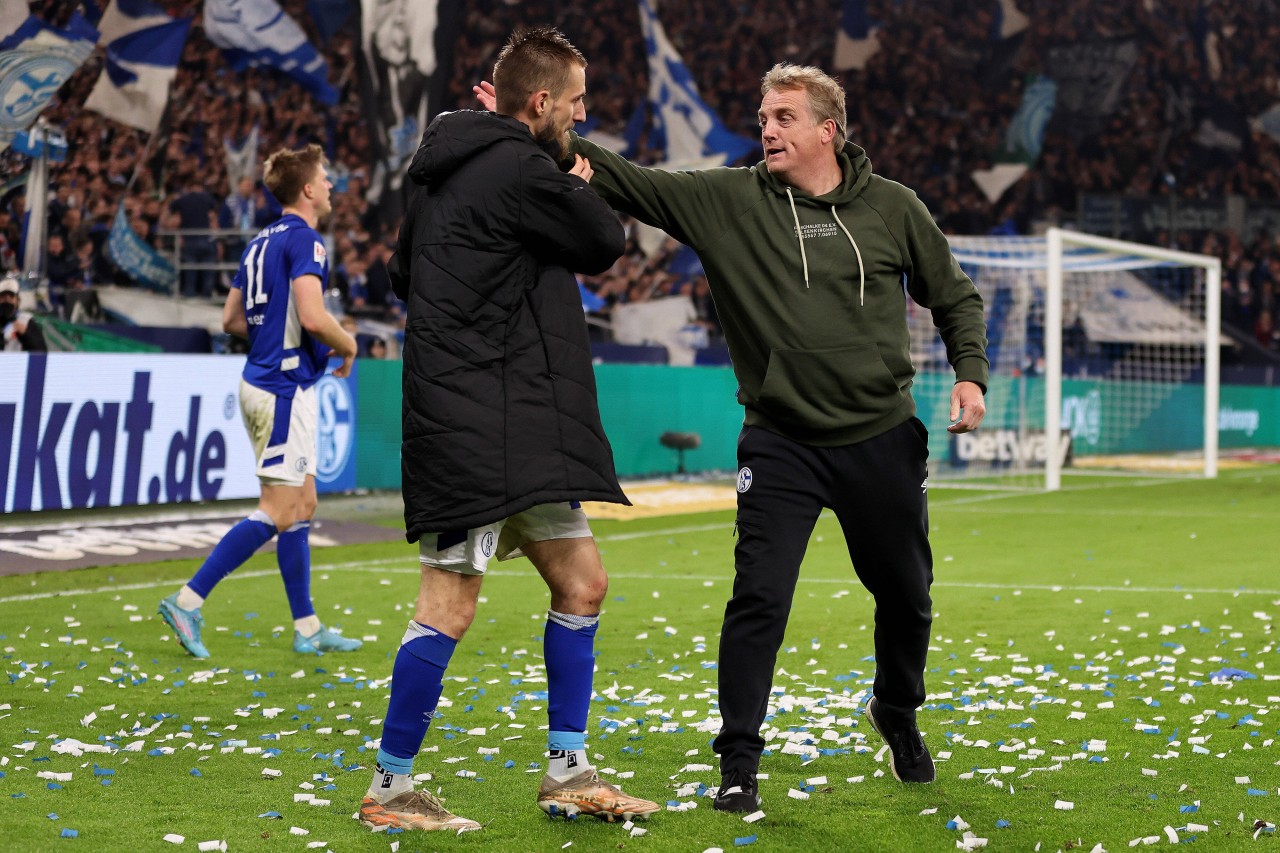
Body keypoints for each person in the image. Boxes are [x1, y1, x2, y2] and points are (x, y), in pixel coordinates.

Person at [479, 61, 989, 809]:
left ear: (828, 129)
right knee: (759, 598)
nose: (767, 128)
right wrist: (535, 124)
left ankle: (897, 709)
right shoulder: (729, 200)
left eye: (783, 116)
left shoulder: (894, 207)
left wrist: (969, 373)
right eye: (763, 116)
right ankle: (739, 762)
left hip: (881, 435)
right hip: (781, 441)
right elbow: (626, 179)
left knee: (907, 595)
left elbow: (954, 295)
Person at [357, 27, 659, 834]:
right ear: (541, 103)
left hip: (509, 420)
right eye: (577, 103)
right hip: (476, 420)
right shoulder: (527, 164)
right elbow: (603, 240)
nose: (581, 116)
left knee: (582, 580)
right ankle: (389, 789)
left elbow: (400, 273)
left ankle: (568, 771)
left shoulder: (436, 174)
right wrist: (575, 179)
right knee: (447, 601)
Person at [158, 144, 361, 660]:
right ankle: (188, 600)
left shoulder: (256, 244)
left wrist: (271, 335)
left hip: (274, 381)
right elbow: (314, 317)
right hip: (282, 388)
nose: (332, 186)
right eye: (327, 178)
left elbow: (230, 320)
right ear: (309, 189)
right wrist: (348, 344)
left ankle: (308, 627)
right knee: (278, 509)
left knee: (304, 504)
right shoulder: (307, 241)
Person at [0, 275, 47, 352]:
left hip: (17, 362)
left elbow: (41, 351)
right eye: (3, 296)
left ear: (18, 300)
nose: (7, 300)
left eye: (11, 296)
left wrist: (26, 334)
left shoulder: (26, 321)